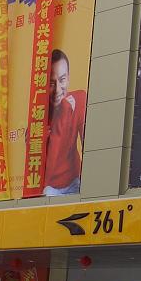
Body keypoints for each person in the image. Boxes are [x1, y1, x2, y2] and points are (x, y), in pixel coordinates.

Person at [44, 49, 86, 196]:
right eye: (51, 83)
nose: (57, 90)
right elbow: (50, 167)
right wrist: (64, 113)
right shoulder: (39, 118)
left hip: (75, 181)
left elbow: (89, 146)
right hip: (50, 188)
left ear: (68, 78)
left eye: (62, 80)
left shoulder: (79, 99)